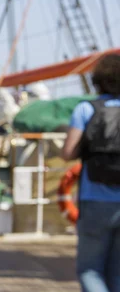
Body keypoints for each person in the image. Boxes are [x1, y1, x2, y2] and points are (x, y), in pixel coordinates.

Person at [62, 53, 120, 292]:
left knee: (90, 269)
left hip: (94, 199)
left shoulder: (86, 109)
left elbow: (68, 152)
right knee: (117, 272)